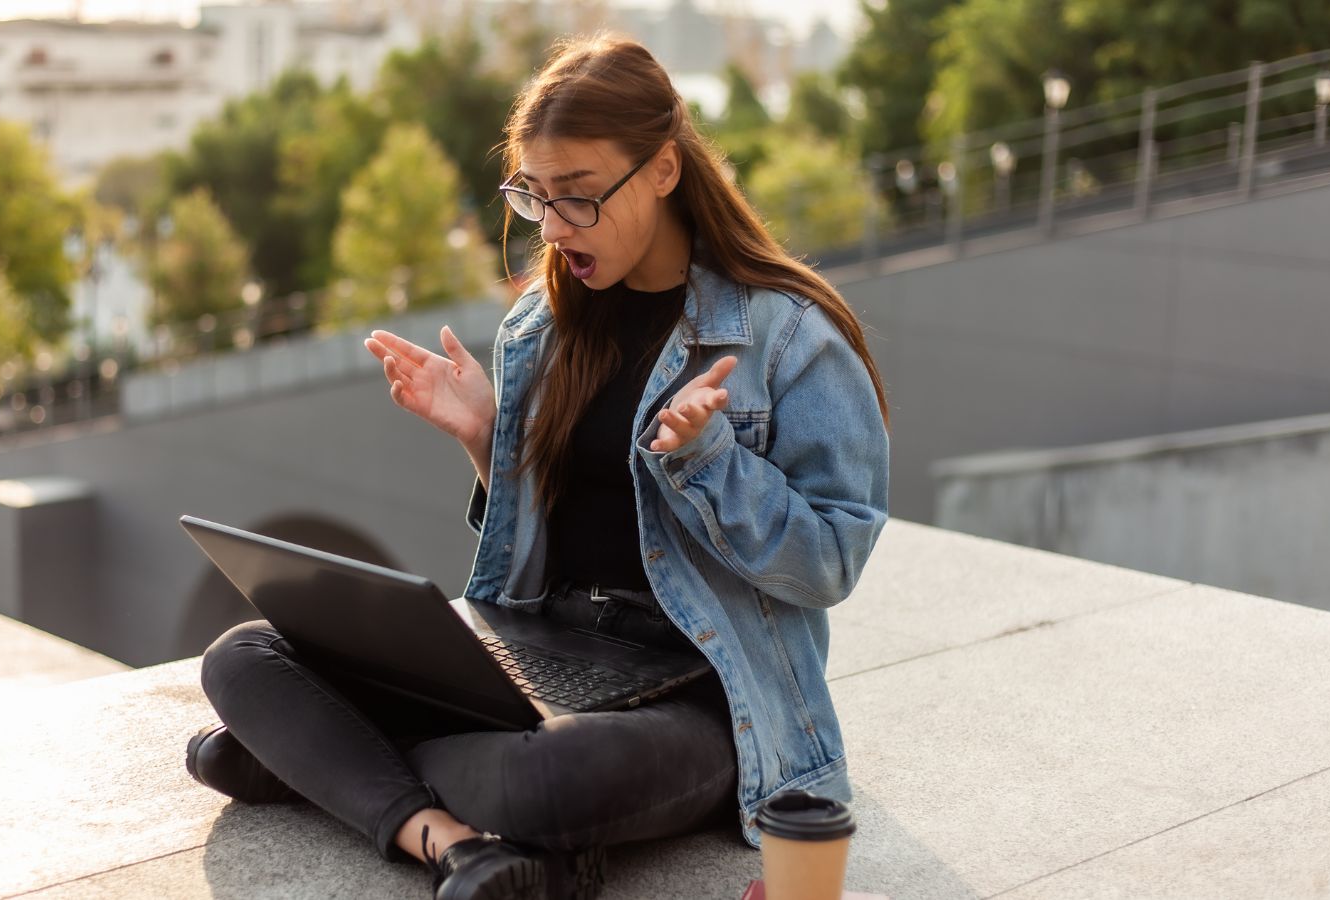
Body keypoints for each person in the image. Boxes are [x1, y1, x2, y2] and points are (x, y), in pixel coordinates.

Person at [190, 33, 890, 900]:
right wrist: (485, 440)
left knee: (547, 780)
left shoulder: (790, 340)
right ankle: (452, 843)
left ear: (664, 170)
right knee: (243, 656)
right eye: (535, 195)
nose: (555, 228)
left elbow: (830, 563)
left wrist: (713, 461)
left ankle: (326, 765)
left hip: (700, 693)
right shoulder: (542, 329)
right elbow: (559, 530)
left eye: (581, 197)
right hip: (543, 644)